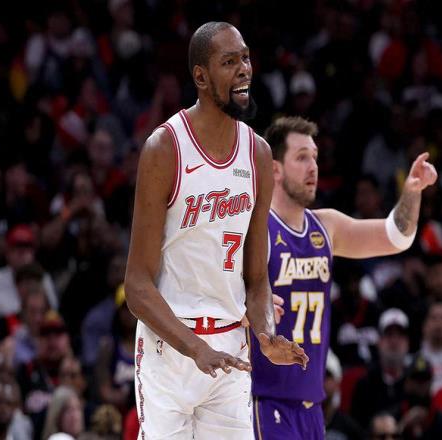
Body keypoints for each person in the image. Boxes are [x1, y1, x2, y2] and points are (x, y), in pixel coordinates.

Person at [124, 22, 308, 439]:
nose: (244, 69)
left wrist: (266, 334)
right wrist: (195, 348)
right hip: (170, 349)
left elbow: (257, 279)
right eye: (229, 62)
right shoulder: (165, 148)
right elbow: (136, 286)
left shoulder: (258, 154)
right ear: (201, 77)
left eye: (246, 58)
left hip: (230, 351)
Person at [250, 116, 437, 439]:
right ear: (275, 169)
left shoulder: (327, 227)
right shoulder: (258, 228)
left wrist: (412, 191)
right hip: (267, 400)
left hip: (312, 406)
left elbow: (397, 237)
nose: (313, 167)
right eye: (301, 157)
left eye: (315, 157)